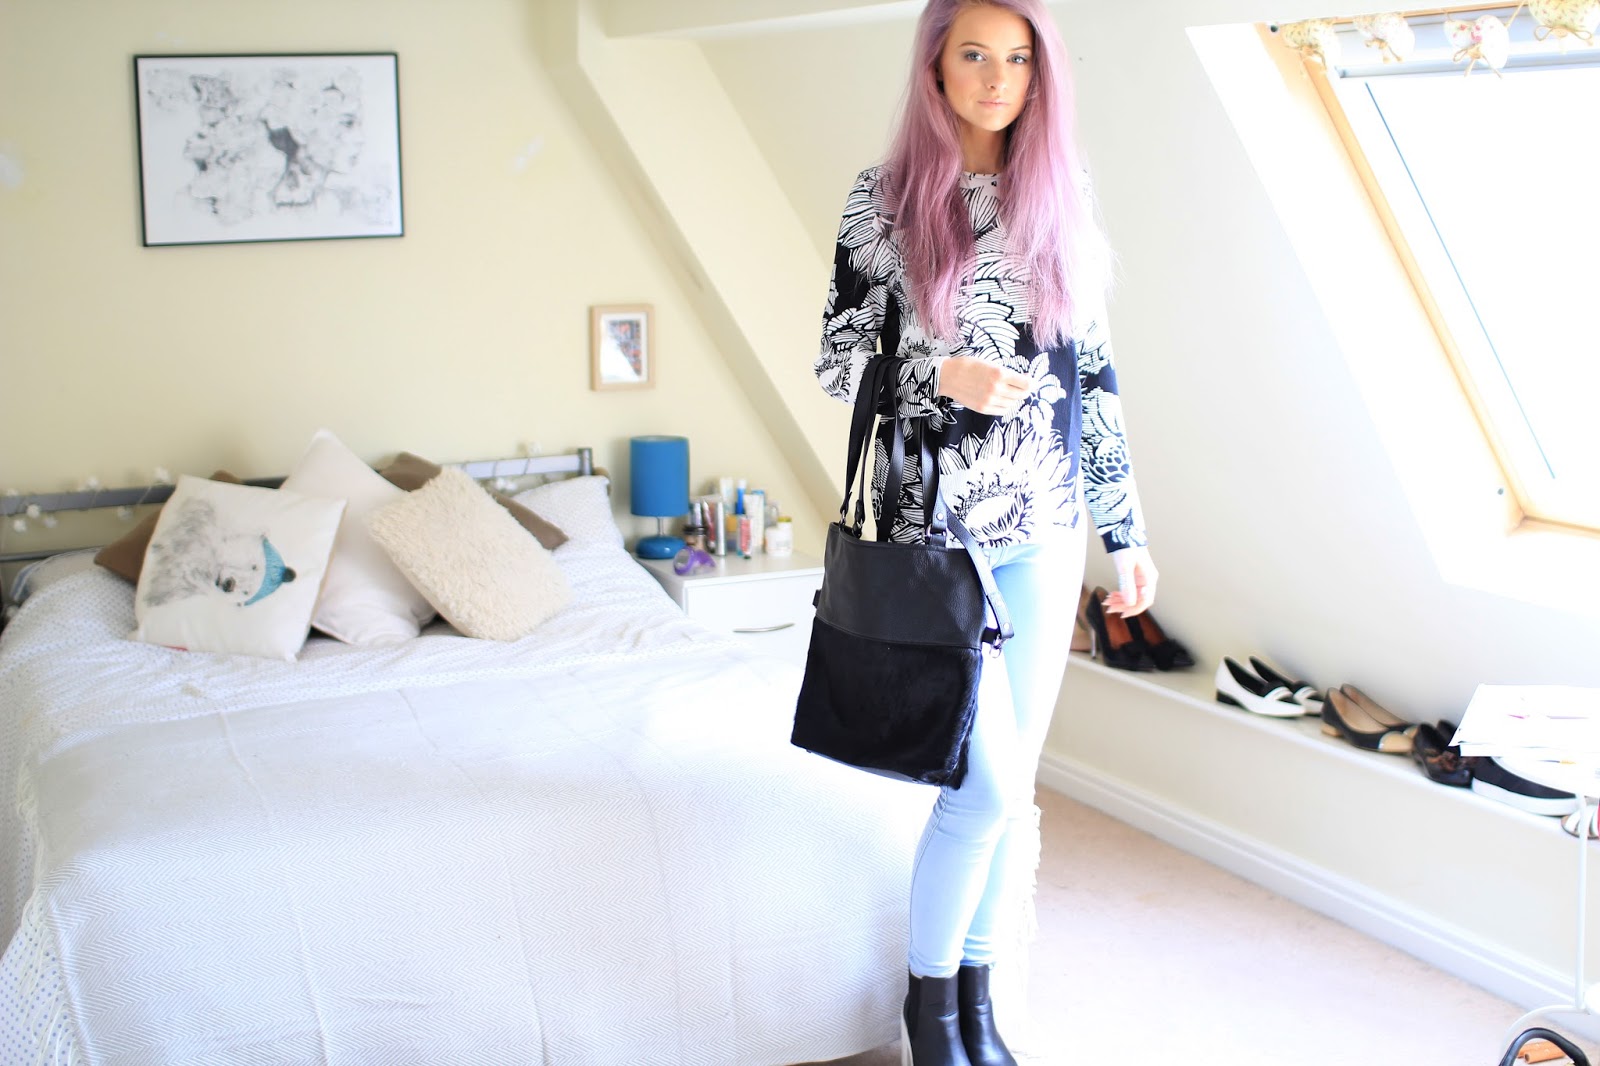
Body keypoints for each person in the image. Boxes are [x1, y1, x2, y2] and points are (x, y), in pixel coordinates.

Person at [813, 2, 1158, 1063]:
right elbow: (836, 361)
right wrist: (936, 373)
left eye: (1018, 58)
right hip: (935, 535)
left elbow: (1093, 375)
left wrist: (1125, 529)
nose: (998, 78)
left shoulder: (1063, 194)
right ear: (936, 66)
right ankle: (928, 1012)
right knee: (986, 786)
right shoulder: (883, 198)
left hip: (1045, 528)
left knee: (1015, 793)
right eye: (975, 54)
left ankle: (976, 1009)